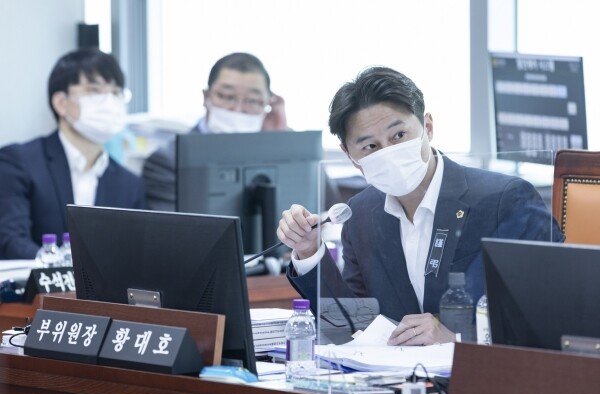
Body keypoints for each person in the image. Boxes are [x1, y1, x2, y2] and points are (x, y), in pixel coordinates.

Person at [277, 66, 564, 346]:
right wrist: (309, 250)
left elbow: (554, 309)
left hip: (485, 371)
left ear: (427, 127)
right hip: (397, 376)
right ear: (350, 156)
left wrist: (457, 337)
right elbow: (352, 325)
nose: (388, 153)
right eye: (370, 147)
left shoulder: (505, 200)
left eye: (399, 136)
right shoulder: (361, 214)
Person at [0, 48, 145, 260]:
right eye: (94, 90)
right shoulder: (19, 162)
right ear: (61, 103)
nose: (108, 102)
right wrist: (66, 268)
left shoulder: (130, 185)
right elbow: (10, 242)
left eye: (115, 93)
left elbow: (135, 256)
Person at [142, 52, 288, 211]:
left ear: (268, 104)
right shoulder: (169, 160)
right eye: (226, 96)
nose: (237, 109)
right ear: (206, 97)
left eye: (252, 101)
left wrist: (278, 139)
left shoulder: (279, 151)